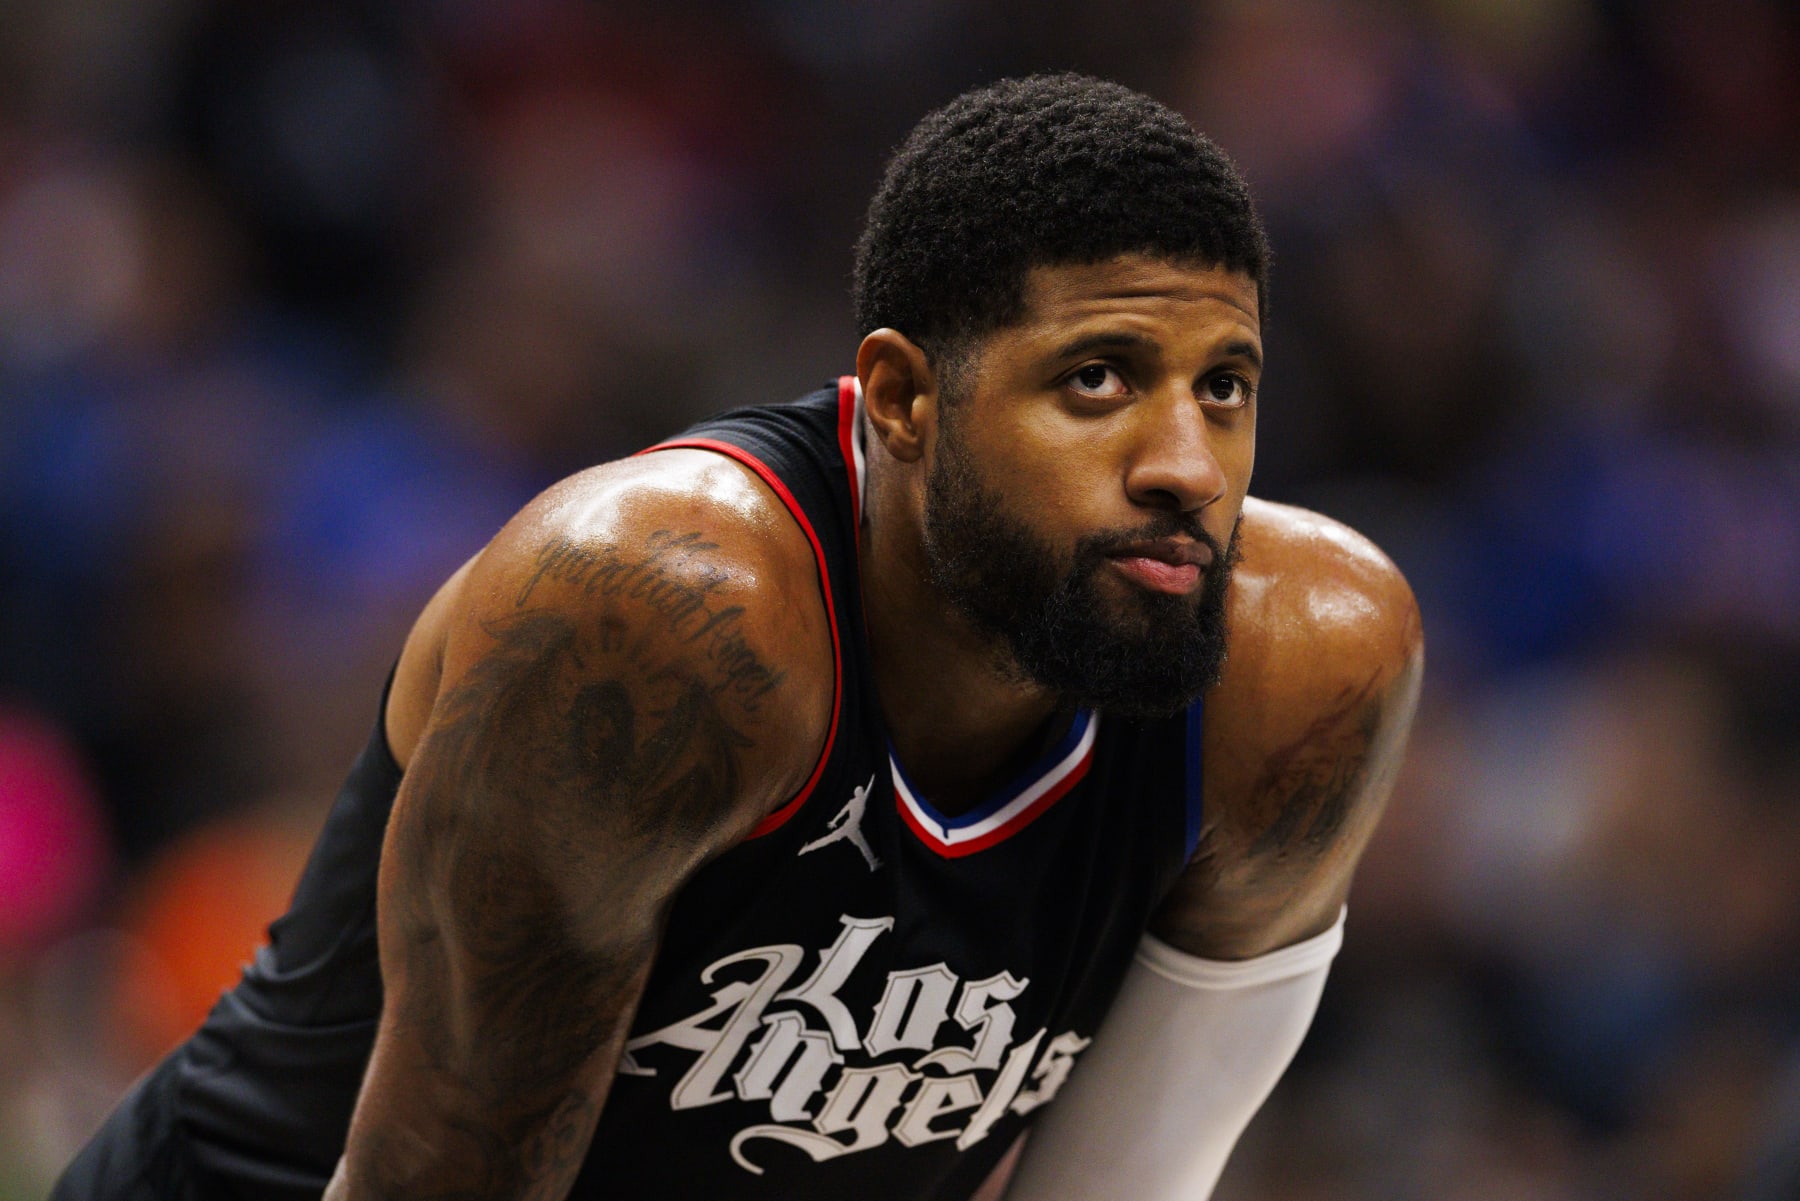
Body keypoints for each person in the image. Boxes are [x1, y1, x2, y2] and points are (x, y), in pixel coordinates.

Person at [54, 73, 1423, 1201]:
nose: (1187, 462)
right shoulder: (660, 620)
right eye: (1099, 379)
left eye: (1226, 387)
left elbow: (1126, 1186)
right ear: (900, 396)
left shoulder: (1304, 668)